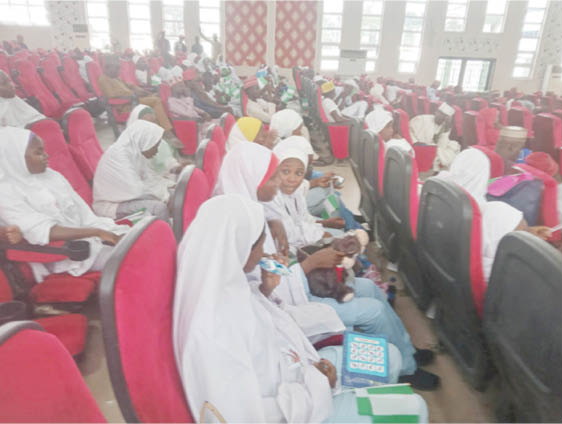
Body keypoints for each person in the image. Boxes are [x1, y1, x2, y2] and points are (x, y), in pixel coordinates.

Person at [173, 194, 429, 422]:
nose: (265, 252)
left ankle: (378, 385)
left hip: (300, 369)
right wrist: (317, 385)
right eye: (261, 244)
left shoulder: (225, 283)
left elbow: (267, 325)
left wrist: (266, 290)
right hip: (303, 404)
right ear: (239, 247)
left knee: (390, 357)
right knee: (414, 408)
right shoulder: (210, 333)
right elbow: (245, 415)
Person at [218, 139, 440, 389]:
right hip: (289, 304)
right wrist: (311, 263)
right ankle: (405, 369)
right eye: (273, 177)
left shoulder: (256, 214)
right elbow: (268, 290)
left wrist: (299, 253)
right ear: (252, 180)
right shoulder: (241, 229)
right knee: (373, 311)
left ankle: (404, 349)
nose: (280, 182)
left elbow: (278, 261)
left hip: (295, 285)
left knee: (368, 288)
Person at [0, 127, 128, 282]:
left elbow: (85, 215)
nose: (46, 156)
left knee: (139, 244)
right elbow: (43, 231)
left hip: (90, 240)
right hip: (63, 255)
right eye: (38, 153)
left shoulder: (52, 176)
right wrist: (98, 232)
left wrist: (111, 232)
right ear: (15, 158)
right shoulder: (6, 193)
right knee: (132, 260)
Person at [438, 148, 552, 280]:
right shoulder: (498, 214)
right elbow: (524, 255)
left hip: (450, 279)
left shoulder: (440, 202)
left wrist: (529, 231)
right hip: (496, 291)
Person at [93, 120, 173, 221]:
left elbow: (150, 179)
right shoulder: (120, 156)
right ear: (145, 142)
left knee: (174, 193)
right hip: (112, 205)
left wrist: (167, 189)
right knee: (159, 208)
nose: (156, 151)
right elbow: (137, 191)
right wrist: (164, 196)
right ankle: (166, 235)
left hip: (130, 197)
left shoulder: (136, 152)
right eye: (155, 147)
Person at [97, 55, 173, 132]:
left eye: (119, 68)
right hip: (126, 105)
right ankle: (167, 130)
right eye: (116, 68)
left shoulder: (115, 77)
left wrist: (136, 88)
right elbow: (111, 96)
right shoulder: (103, 79)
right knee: (156, 101)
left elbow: (127, 85)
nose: (118, 71)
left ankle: (161, 128)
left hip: (134, 99)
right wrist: (133, 94)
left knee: (158, 96)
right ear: (107, 68)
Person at [125, 105, 187, 178]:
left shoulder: (160, 143)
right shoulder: (129, 147)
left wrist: (180, 167)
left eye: (153, 122)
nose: (151, 127)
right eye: (146, 123)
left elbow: (169, 165)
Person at [409, 102, 460, 170]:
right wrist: (415, 142)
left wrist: (446, 130)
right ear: (436, 112)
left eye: (445, 117)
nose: (441, 117)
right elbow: (409, 130)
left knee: (454, 146)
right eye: (440, 114)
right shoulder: (421, 119)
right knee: (446, 155)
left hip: (432, 148)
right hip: (419, 146)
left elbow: (442, 146)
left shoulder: (444, 126)